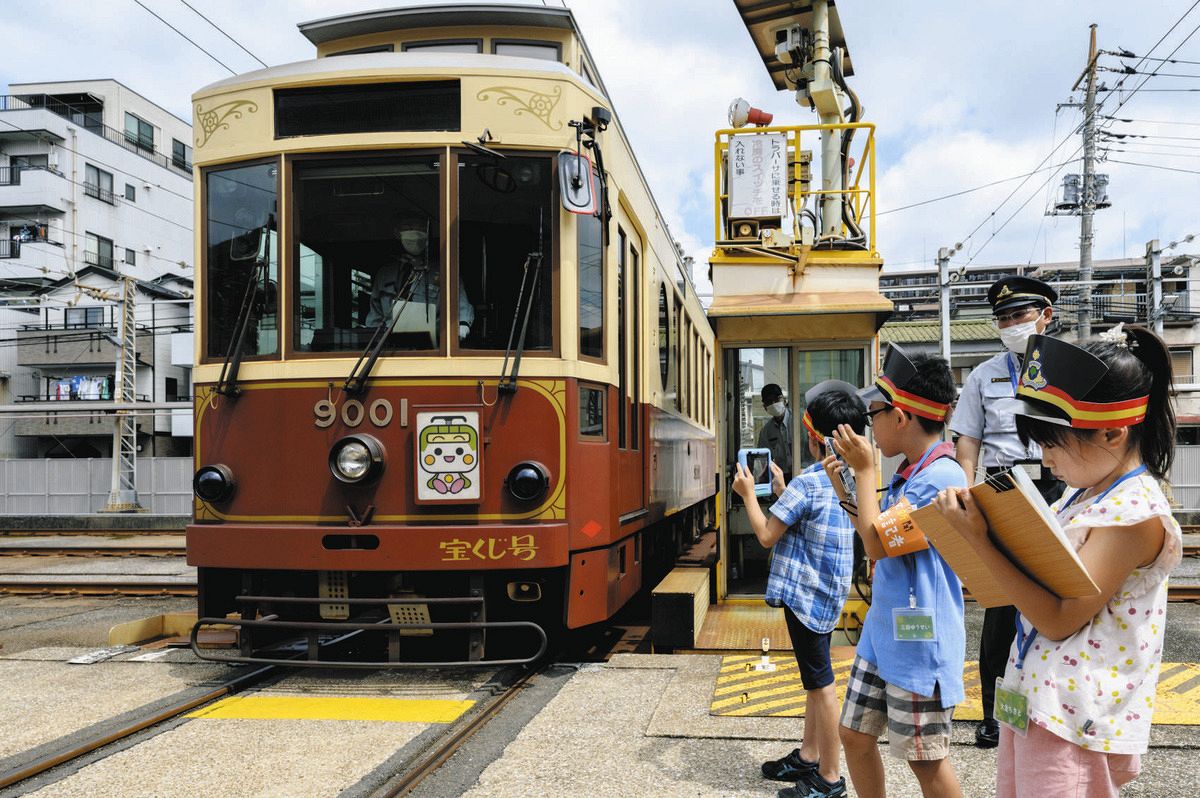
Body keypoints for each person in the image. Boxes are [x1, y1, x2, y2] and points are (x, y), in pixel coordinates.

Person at [933, 325, 1181, 798]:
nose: (1045, 461)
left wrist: (982, 541)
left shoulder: (1133, 514)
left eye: (1052, 444)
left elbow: (1059, 619)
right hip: (1041, 703)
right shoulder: (1086, 490)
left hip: (1072, 721)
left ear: (1112, 432)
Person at [823, 344, 967, 798]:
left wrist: (866, 473)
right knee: (854, 735)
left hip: (920, 647)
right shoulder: (911, 473)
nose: (871, 427)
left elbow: (877, 545)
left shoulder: (942, 480)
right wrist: (847, 488)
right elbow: (876, 534)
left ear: (900, 417)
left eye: (874, 414)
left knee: (926, 760)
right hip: (884, 637)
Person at [732, 380, 867, 798]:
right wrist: (780, 490)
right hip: (829, 594)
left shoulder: (808, 484)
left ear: (814, 439)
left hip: (804, 598)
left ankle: (829, 777)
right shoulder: (851, 479)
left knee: (821, 685)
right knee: (817, 678)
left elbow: (767, 535)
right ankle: (809, 755)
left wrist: (747, 496)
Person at [950, 274, 1064, 748]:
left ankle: (1049, 707)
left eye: (1019, 315)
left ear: (1045, 316)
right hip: (1001, 489)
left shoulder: (1068, 369)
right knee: (999, 607)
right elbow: (968, 442)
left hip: (1057, 489)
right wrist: (964, 492)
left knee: (1055, 600)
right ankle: (994, 716)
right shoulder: (983, 375)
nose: (1011, 325)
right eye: (1003, 318)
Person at [366, 216, 475, 341]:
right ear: (397, 233)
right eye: (408, 227)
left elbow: (461, 311)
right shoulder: (384, 274)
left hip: (433, 348)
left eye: (420, 228)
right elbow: (375, 319)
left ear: (428, 234)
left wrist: (461, 327)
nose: (414, 232)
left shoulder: (445, 271)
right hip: (388, 347)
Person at [758, 383, 793, 481]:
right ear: (765, 407)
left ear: (784, 400)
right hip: (782, 478)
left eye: (777, 399)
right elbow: (763, 461)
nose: (774, 403)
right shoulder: (766, 432)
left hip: (803, 472)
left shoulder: (799, 421)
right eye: (769, 401)